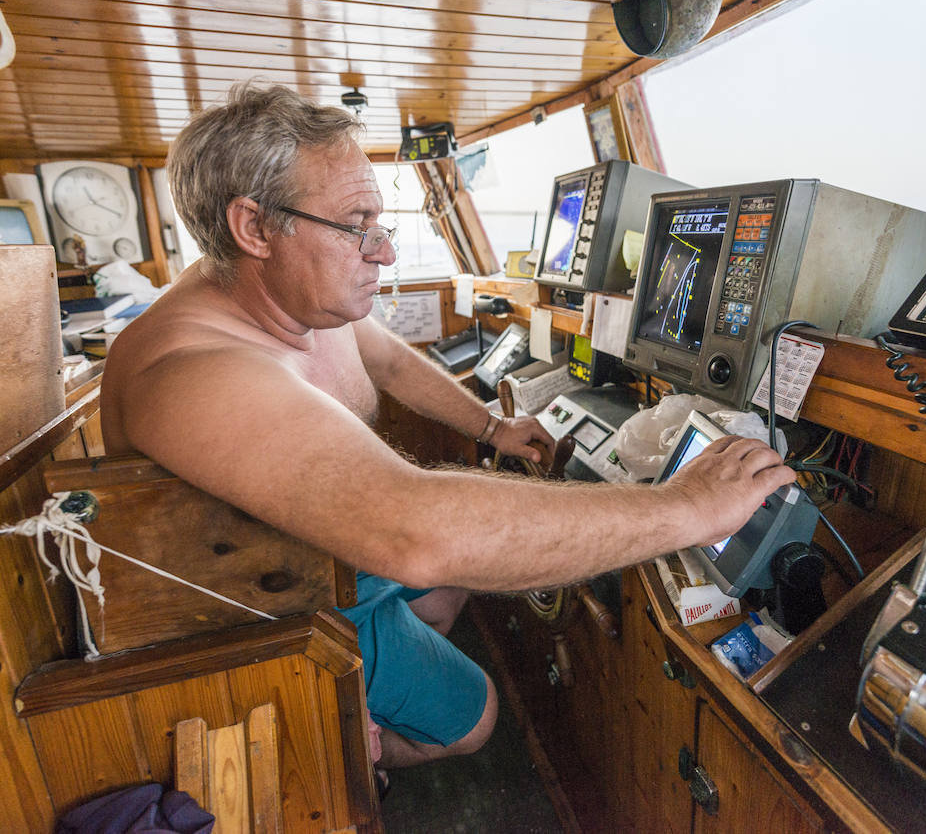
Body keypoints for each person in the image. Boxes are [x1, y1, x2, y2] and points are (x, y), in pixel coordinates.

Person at [100, 82, 795, 773]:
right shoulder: (193, 371)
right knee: (477, 714)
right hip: (283, 620)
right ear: (253, 227)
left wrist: (492, 425)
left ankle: (388, 671)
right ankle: (356, 753)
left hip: (338, 561)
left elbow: (389, 362)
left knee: (456, 585)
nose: (384, 253)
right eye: (356, 225)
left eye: (382, 223)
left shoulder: (295, 297)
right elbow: (415, 530)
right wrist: (689, 506)